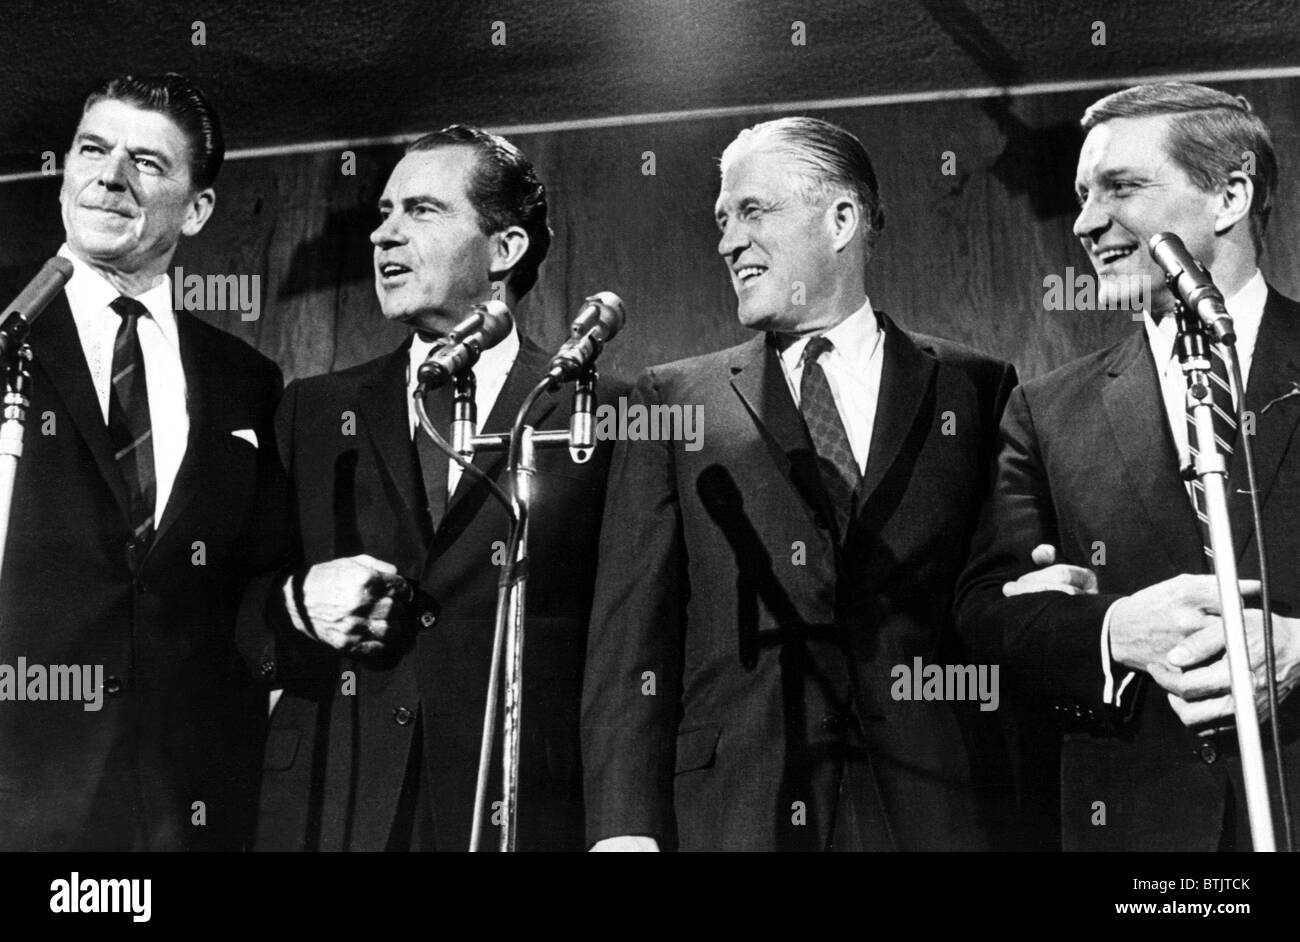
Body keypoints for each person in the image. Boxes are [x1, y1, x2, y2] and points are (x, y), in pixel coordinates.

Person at [581, 116, 1017, 851]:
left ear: (841, 218)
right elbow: (631, 637)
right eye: (722, 221)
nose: (727, 242)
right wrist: (623, 832)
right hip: (738, 812)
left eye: (753, 211)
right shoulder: (670, 400)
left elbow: (994, 597)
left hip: (935, 810)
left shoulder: (974, 387)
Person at [241, 125, 626, 851]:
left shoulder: (598, 414)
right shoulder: (313, 410)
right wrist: (295, 605)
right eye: (383, 214)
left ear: (504, 250)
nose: (384, 236)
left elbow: (627, 643)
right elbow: (232, 610)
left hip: (516, 809)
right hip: (332, 806)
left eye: (420, 211)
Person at [957, 82, 1300, 851]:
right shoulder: (1046, 412)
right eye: (1082, 196)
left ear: (1230, 195)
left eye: (1121, 187)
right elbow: (985, 613)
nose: (1084, 223)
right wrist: (1111, 629)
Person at [0, 74, 285, 851]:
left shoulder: (245, 381)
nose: (111, 176)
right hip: (20, 789)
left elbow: (254, 580)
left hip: (187, 800)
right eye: (93, 149)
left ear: (197, 209)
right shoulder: (6, 332)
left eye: (148, 163)